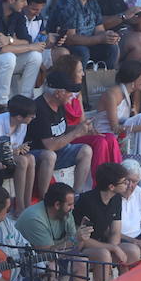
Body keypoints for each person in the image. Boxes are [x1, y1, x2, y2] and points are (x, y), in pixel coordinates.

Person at [24, 70, 95, 200]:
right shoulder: (39, 108)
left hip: (57, 151)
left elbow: (61, 130)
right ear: (58, 93)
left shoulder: (59, 104)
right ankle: (45, 199)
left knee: (86, 150)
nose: (72, 95)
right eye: (69, 92)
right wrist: (76, 133)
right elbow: (49, 145)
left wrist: (81, 127)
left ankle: (77, 195)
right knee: (50, 156)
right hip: (36, 154)